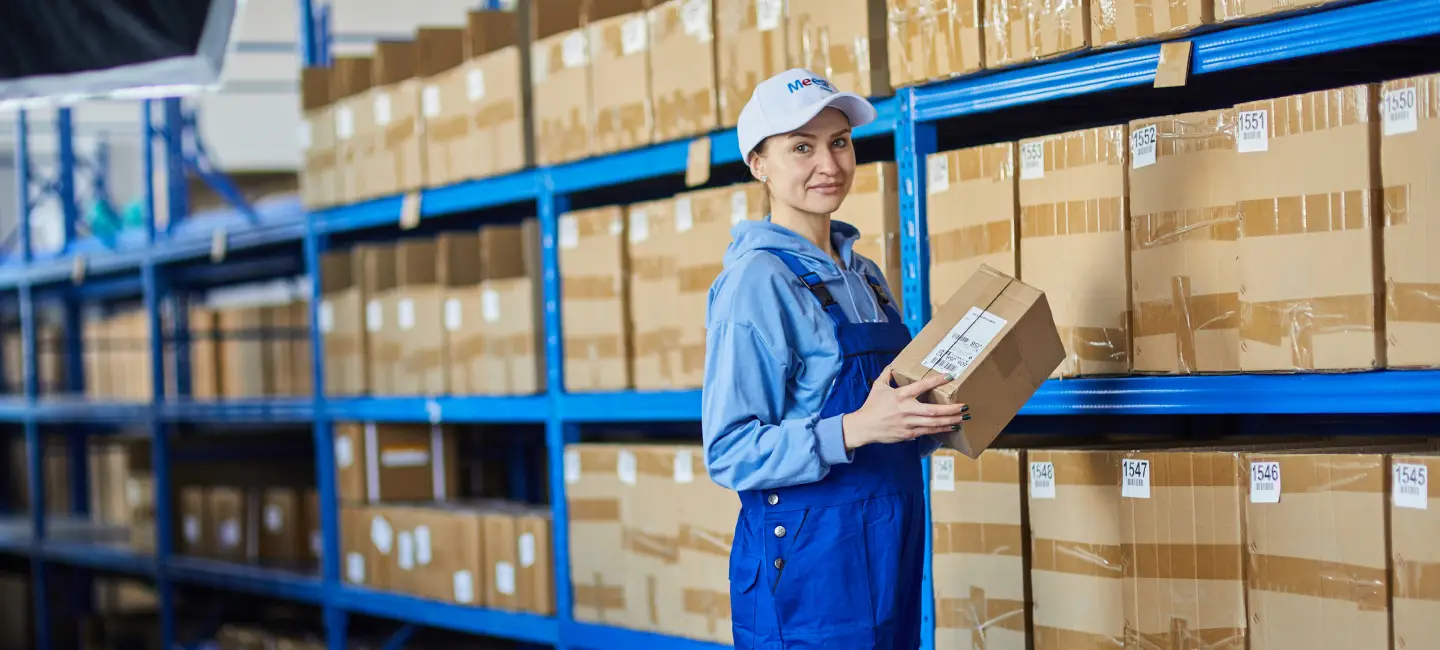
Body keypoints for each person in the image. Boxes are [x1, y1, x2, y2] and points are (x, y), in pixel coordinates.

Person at [701, 68, 970, 649]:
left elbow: (885, 419)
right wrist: (855, 428)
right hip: (808, 564)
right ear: (758, 164)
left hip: (887, 547)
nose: (829, 163)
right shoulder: (756, 282)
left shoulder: (864, 275)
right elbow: (729, 452)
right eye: (802, 147)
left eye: (839, 142)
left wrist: (937, 418)